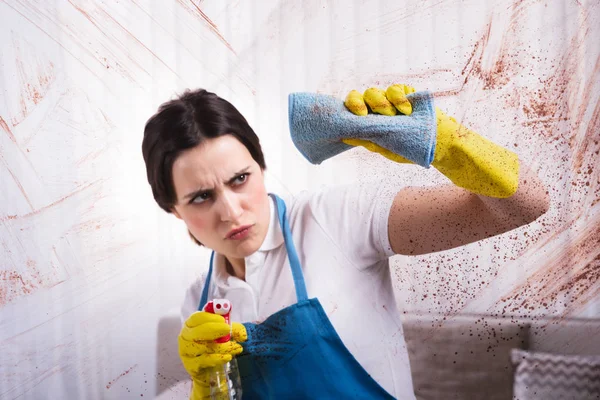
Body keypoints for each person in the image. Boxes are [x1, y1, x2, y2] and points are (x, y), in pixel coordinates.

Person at [141, 86, 549, 399]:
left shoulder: (338, 220)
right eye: (200, 197)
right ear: (173, 209)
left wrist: (447, 145)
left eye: (240, 179)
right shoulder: (199, 303)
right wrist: (204, 387)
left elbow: (524, 206)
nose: (230, 211)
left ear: (261, 166)